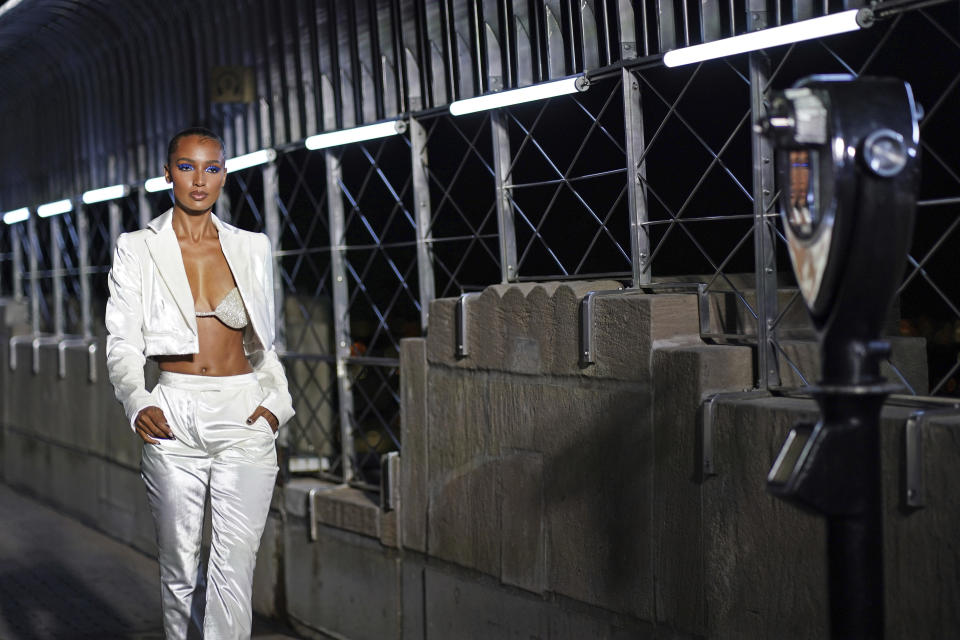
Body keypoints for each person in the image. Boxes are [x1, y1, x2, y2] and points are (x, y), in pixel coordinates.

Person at [105, 127, 294, 639]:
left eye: (211, 168)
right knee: (181, 572)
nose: (198, 180)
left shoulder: (252, 248)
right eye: (187, 167)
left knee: (235, 571)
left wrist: (277, 404)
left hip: (244, 413)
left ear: (224, 175)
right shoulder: (138, 249)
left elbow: (262, 346)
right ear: (168, 173)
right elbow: (121, 343)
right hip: (174, 414)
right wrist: (137, 399)